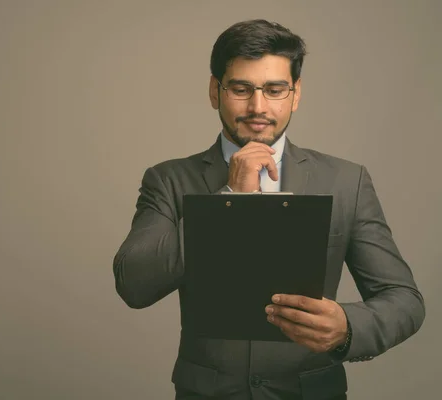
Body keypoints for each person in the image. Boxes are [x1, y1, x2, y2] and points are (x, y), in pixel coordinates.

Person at [112, 19, 425, 400]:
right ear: (215, 91)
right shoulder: (168, 180)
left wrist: (346, 327)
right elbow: (134, 284)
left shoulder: (347, 181)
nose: (257, 107)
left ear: (295, 94)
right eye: (241, 89)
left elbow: (404, 299)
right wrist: (229, 199)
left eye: (275, 89)